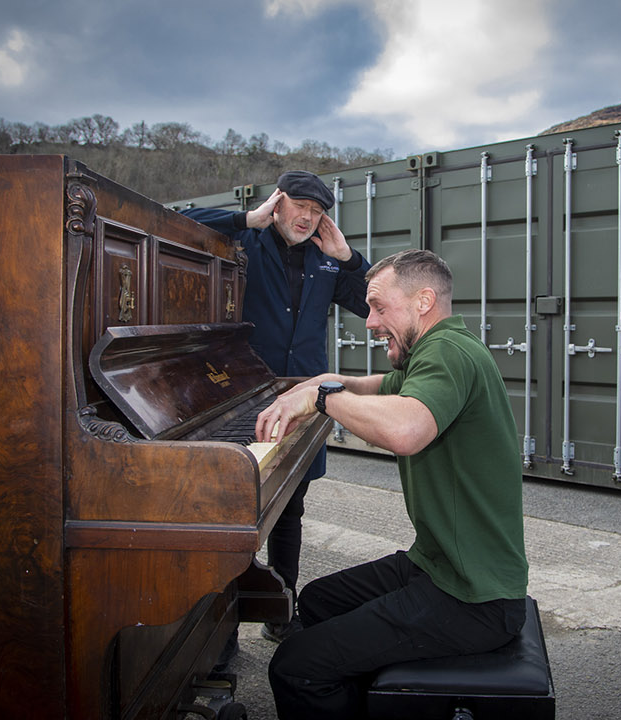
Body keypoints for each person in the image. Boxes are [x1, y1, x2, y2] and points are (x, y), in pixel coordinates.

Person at [254, 249, 528, 718]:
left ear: (423, 301)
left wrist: (321, 400)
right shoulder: (437, 349)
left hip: (473, 596)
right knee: (318, 600)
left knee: (295, 666)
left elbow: (405, 431)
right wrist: (323, 382)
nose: (368, 321)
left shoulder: (447, 352)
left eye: (380, 307)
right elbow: (378, 385)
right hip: (437, 563)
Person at [180, 171, 370, 642]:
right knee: (231, 510)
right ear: (278, 203)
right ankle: (220, 629)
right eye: (300, 206)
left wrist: (348, 257)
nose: (307, 218)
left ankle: (279, 611)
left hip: (302, 400)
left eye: (318, 211)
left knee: (290, 506)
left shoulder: (327, 263)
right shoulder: (244, 239)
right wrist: (248, 217)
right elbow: (177, 222)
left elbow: (373, 303)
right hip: (239, 398)